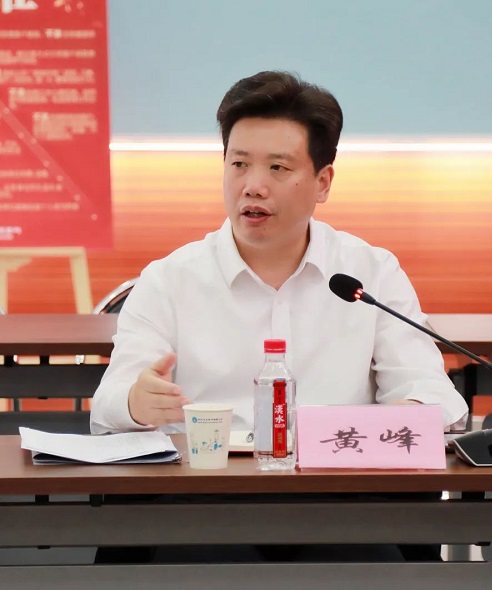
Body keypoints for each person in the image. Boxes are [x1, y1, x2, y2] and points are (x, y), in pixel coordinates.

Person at [90, 70, 468, 564]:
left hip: (341, 500)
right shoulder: (169, 279)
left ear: (323, 182)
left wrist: (409, 409)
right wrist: (137, 402)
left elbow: (434, 395)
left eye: (277, 168)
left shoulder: (370, 272)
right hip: (200, 502)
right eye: (239, 164)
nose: (253, 186)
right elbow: (108, 405)